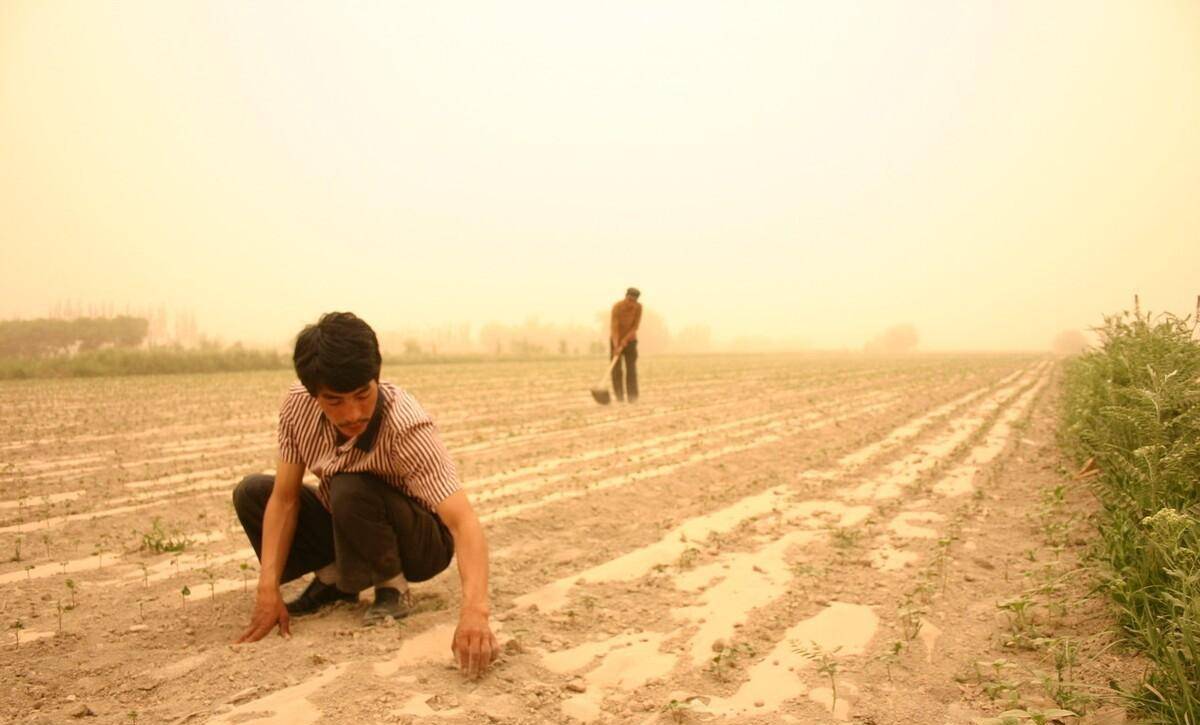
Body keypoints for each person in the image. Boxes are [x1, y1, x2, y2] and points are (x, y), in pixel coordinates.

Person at [231, 312, 497, 679]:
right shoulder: (297, 408)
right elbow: (285, 499)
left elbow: (463, 522)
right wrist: (267, 587)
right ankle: (336, 580)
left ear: (377, 378)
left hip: (419, 542)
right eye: (335, 401)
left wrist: (475, 612)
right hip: (348, 517)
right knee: (253, 493)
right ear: (313, 394)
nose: (353, 413)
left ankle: (392, 586)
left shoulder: (407, 424)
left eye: (362, 395)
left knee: (349, 484)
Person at [610, 287, 643, 403]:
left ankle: (632, 397)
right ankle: (619, 397)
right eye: (629, 300)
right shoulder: (617, 307)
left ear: (636, 301)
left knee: (631, 369)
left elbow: (635, 327)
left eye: (633, 301)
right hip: (616, 339)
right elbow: (614, 327)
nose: (631, 303)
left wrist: (625, 340)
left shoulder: (639, 308)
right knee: (616, 369)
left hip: (631, 341)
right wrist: (616, 345)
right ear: (625, 297)